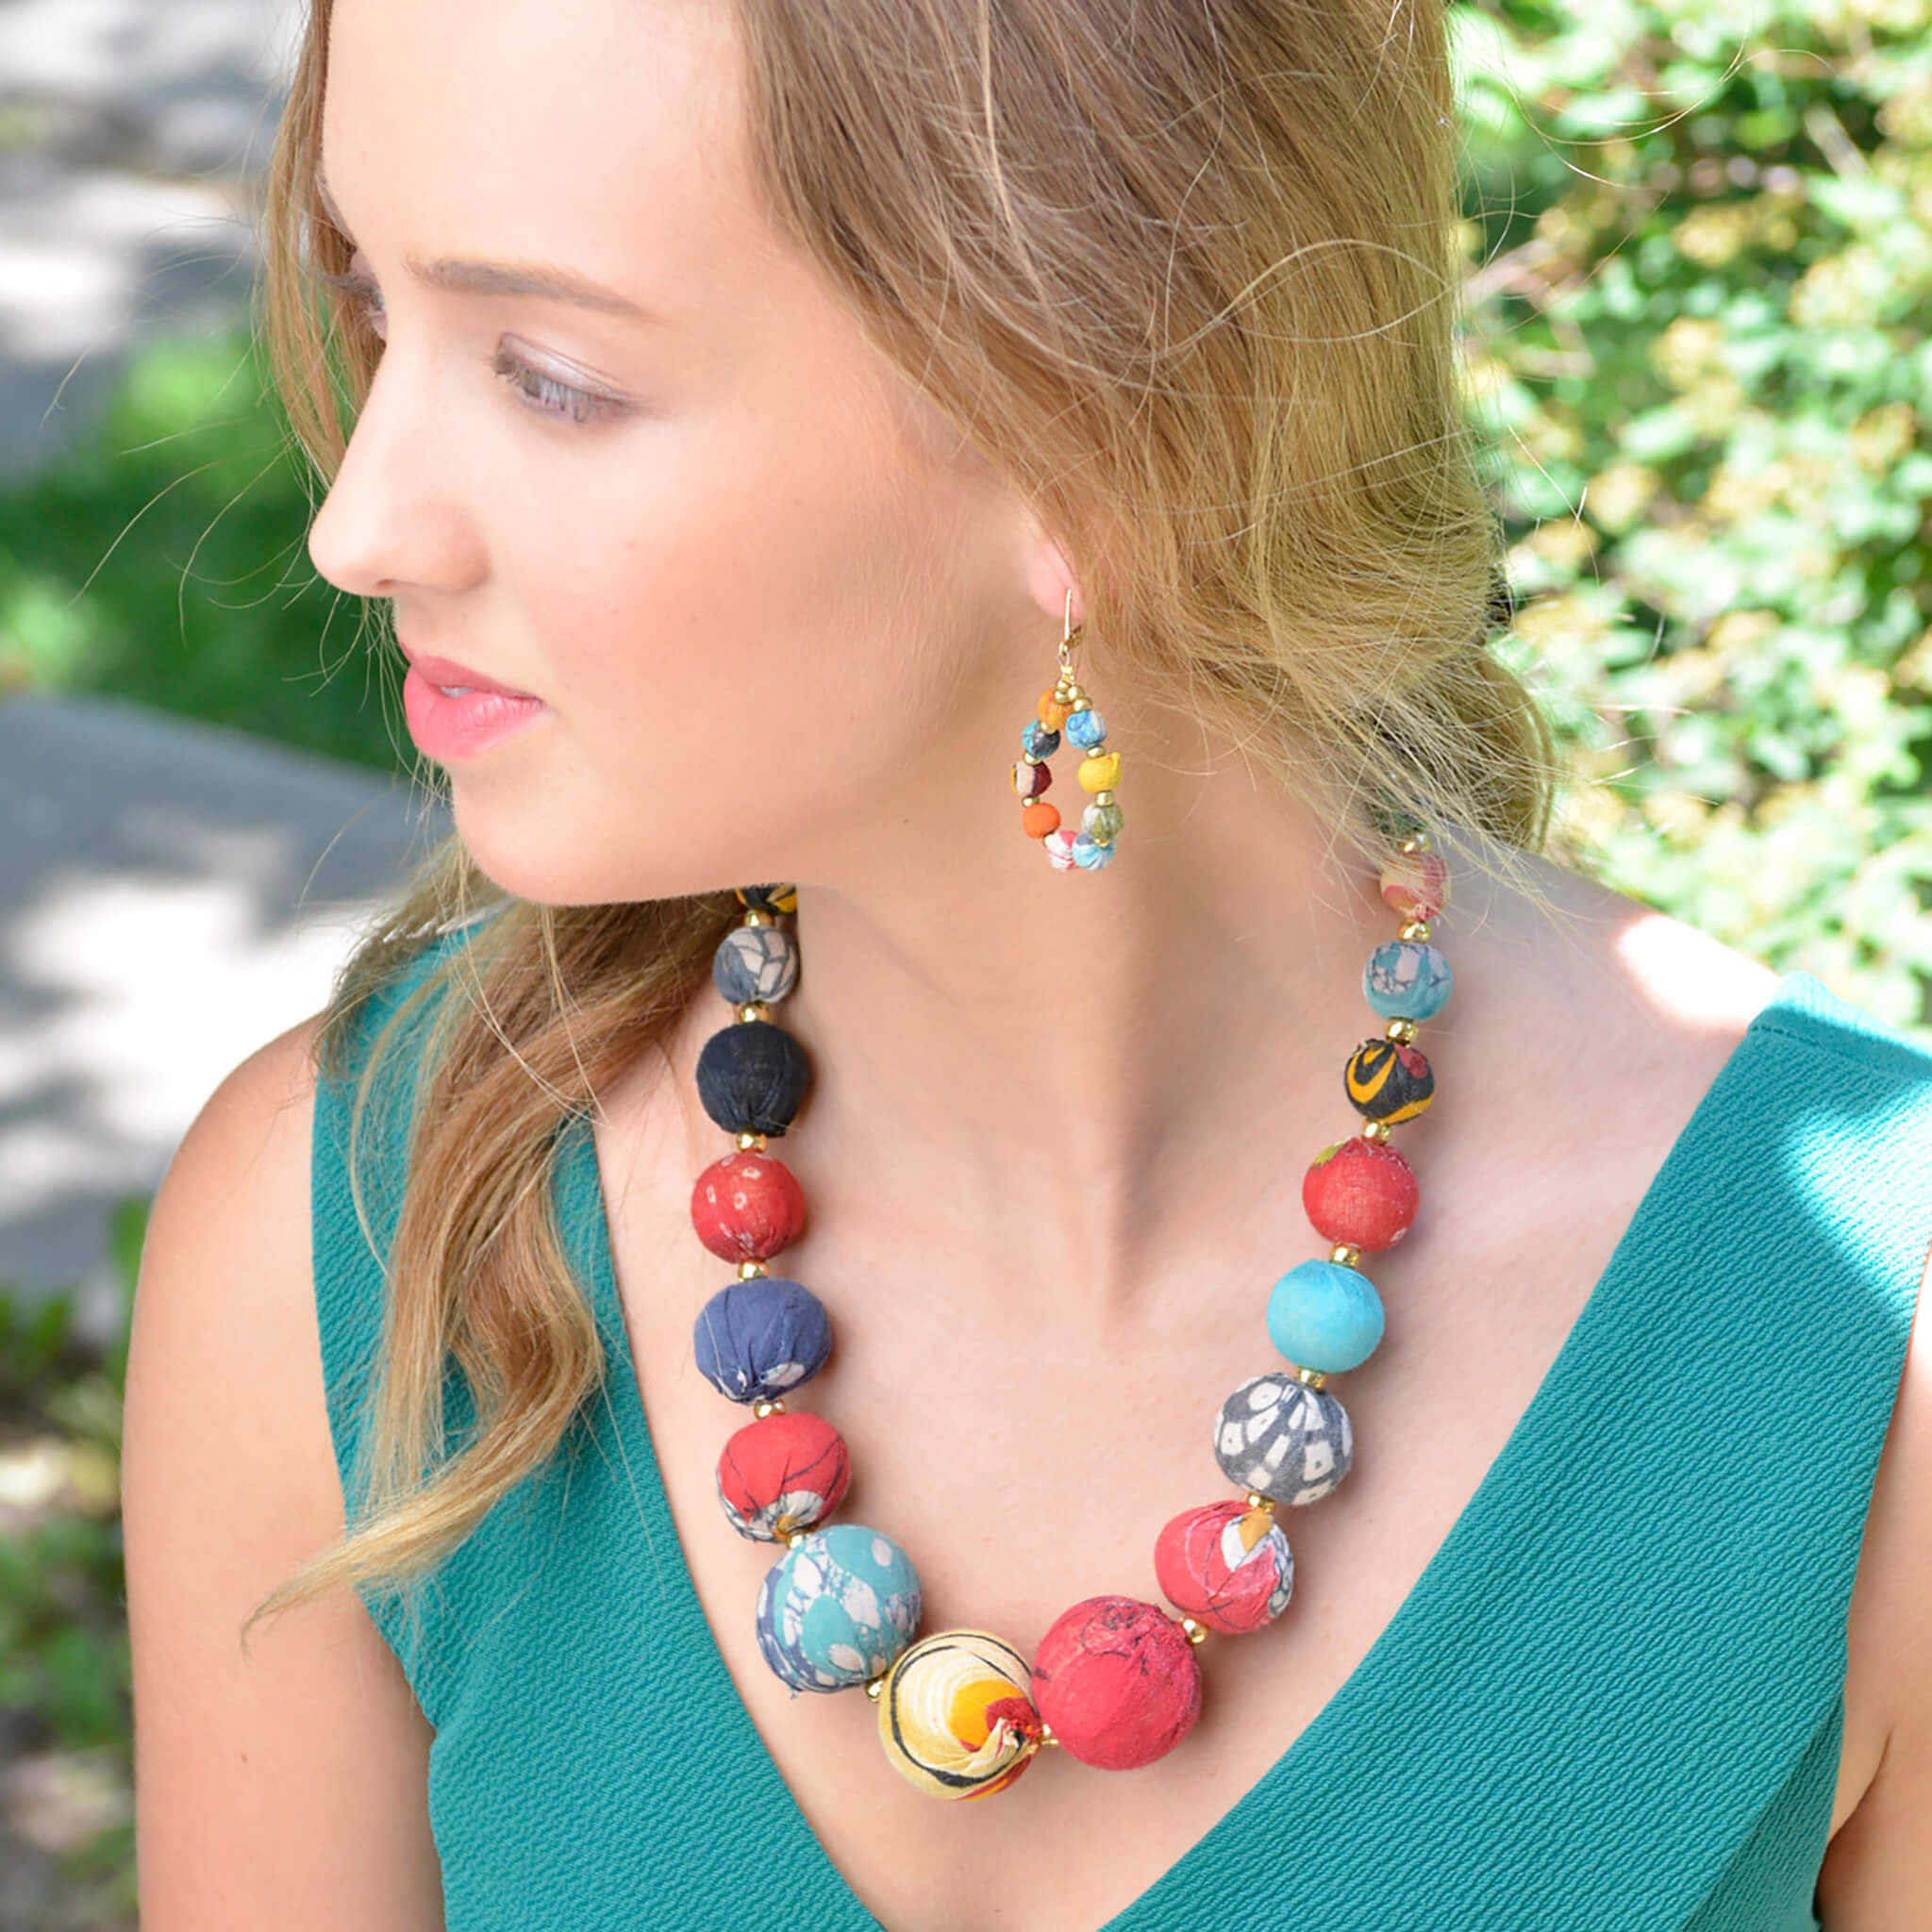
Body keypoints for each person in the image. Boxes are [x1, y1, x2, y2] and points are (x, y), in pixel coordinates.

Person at [120, 0, 1931, 1925]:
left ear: (1098, 432)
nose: (358, 523)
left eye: (552, 377)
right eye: (371, 303)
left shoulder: (1865, 1376)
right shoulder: (345, 1248)